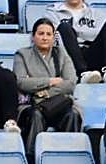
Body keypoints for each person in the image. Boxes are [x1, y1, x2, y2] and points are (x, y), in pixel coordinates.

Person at [14, 18, 81, 153]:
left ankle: (69, 156)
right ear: (33, 36)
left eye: (48, 34)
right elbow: (21, 82)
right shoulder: (22, 54)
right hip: (33, 104)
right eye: (41, 34)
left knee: (72, 114)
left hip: (57, 103)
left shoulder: (61, 54)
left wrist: (45, 92)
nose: (45, 38)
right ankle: (33, 159)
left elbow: (71, 83)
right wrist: (50, 81)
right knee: (36, 115)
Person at [50, 0, 106, 84]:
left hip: (91, 52)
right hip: (70, 57)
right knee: (64, 27)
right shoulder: (52, 13)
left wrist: (76, 32)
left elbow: (104, 36)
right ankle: (82, 74)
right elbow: (54, 38)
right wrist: (85, 33)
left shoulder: (95, 13)